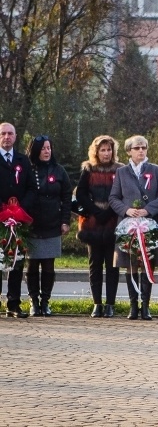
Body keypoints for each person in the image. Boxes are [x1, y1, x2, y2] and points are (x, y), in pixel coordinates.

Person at [109, 135, 158, 321]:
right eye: (137, 148)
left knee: (147, 262)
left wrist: (147, 210)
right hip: (128, 226)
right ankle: (133, 306)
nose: (141, 151)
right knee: (130, 264)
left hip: (148, 224)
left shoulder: (155, 170)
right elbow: (113, 198)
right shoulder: (122, 172)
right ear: (129, 151)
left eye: (144, 147)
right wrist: (127, 210)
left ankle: (146, 306)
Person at [75, 135, 124, 318]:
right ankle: (97, 303)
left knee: (112, 266)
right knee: (95, 265)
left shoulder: (120, 169)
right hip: (92, 224)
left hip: (113, 222)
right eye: (102, 150)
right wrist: (95, 210)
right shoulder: (88, 169)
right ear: (96, 152)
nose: (106, 153)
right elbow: (80, 193)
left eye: (109, 149)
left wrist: (110, 211)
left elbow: (122, 193)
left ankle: (110, 304)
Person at [25, 136, 71, 316]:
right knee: (32, 264)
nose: (47, 151)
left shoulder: (59, 171)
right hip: (32, 224)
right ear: (36, 150)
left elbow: (67, 197)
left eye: (49, 148)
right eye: (43, 148)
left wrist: (65, 221)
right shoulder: (29, 169)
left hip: (53, 223)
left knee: (49, 265)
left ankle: (45, 301)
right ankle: (33, 301)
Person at [0, 122, 36, 318]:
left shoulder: (23, 160)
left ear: (15, 137)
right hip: (0, 219)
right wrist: (4, 209)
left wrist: (20, 208)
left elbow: (32, 187)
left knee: (17, 261)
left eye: (10, 134)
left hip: (19, 219)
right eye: (3, 134)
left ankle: (13, 304)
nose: (7, 137)